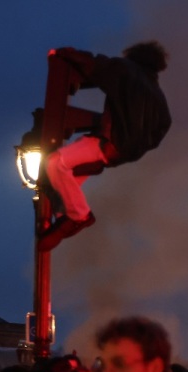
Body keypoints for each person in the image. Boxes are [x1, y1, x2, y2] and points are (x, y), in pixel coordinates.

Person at [39, 41, 172, 251]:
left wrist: (65, 54)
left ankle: (78, 216)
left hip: (107, 142)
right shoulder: (158, 95)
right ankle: (62, 215)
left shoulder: (125, 70)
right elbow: (164, 125)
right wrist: (138, 145)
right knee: (66, 178)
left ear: (134, 55)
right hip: (124, 153)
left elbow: (97, 65)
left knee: (55, 163)